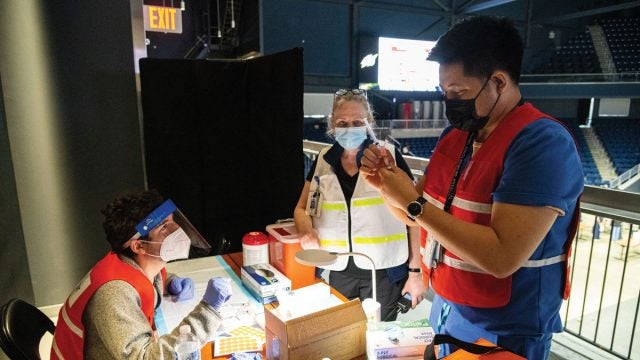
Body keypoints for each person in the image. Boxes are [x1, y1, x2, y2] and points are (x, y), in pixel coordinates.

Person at [360, 16, 583, 359]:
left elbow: (501, 257)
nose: (449, 101)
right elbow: (413, 214)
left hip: (505, 328)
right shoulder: (458, 136)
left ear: (498, 81)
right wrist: (386, 187)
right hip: (449, 309)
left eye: (459, 92)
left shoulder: (542, 143)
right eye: (445, 92)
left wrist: (412, 203)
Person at [51, 189, 232, 359]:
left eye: (173, 221)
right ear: (139, 246)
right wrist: (207, 311)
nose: (176, 230)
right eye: (164, 227)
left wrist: (169, 282)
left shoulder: (131, 263)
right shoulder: (114, 294)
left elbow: (140, 279)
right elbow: (145, 357)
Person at [293, 88, 425, 321]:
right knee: (344, 337)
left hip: (384, 272)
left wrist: (415, 273)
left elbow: (415, 220)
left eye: (356, 122)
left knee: (379, 340)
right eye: (342, 122)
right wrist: (305, 229)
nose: (349, 128)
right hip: (338, 270)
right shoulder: (323, 159)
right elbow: (302, 208)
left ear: (369, 122)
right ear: (332, 124)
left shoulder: (389, 156)